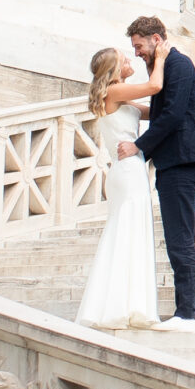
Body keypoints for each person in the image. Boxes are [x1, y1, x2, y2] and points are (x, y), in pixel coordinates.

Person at [118, 15, 195, 333]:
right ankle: (185, 313)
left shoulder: (178, 65)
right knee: (175, 239)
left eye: (139, 46)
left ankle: (188, 315)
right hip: (174, 162)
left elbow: (171, 116)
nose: (138, 52)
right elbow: (162, 111)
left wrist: (138, 147)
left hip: (183, 162)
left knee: (181, 241)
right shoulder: (165, 67)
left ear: (157, 39)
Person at [74, 44, 163, 332]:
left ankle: (129, 304)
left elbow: (153, 111)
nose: (129, 60)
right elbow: (154, 86)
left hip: (129, 168)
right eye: (124, 59)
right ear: (114, 69)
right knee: (127, 230)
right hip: (127, 170)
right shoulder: (114, 91)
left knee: (131, 230)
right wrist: (160, 57)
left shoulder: (121, 98)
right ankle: (121, 305)